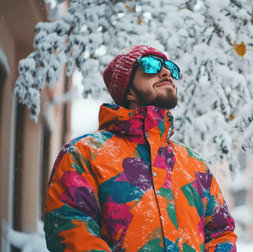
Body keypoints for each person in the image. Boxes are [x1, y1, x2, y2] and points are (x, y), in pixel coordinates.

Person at [44, 45, 237, 251]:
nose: (165, 72)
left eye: (169, 67)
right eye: (150, 65)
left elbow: (221, 231)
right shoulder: (85, 154)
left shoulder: (193, 163)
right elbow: (70, 228)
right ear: (128, 91)